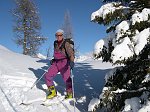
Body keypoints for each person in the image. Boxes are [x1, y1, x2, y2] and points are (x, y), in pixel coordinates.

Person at [44, 29, 75, 99]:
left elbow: (71, 54)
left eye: (60, 35)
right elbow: (56, 53)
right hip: (56, 63)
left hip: (64, 63)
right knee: (47, 75)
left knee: (67, 79)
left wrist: (72, 61)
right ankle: (52, 92)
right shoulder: (55, 43)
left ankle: (69, 93)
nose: (58, 37)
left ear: (62, 35)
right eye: (57, 35)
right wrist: (54, 59)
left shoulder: (66, 43)